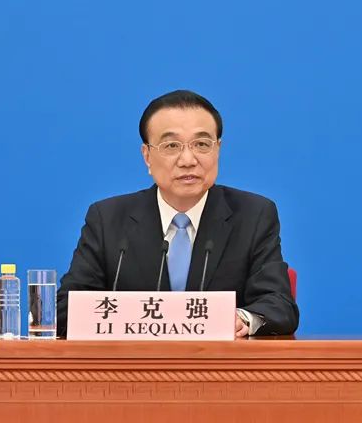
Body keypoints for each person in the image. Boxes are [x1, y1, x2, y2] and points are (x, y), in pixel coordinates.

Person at [56, 90, 299, 338]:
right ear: (147, 156)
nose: (188, 160)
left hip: (219, 360)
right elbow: (66, 309)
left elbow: (279, 305)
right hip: (134, 361)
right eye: (171, 146)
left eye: (201, 144)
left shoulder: (253, 215)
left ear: (218, 149)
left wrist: (243, 319)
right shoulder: (108, 219)